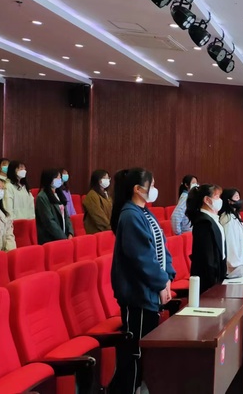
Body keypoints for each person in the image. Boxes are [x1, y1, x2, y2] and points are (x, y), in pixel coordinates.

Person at [109, 168, 175, 394]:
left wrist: (168, 277)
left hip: (150, 292)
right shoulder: (130, 215)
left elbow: (162, 247)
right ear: (138, 189)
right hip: (138, 295)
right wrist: (161, 282)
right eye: (151, 185)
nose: (154, 189)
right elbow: (142, 258)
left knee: (144, 352)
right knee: (134, 354)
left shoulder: (144, 212)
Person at [185, 184, 226, 292]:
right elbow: (207, 257)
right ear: (207, 200)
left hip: (217, 275)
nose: (220, 200)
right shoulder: (203, 222)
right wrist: (214, 283)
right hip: (208, 280)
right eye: (217, 197)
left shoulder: (212, 219)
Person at [35, 169, 74, 244]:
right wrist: (63, 238)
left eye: (60, 177)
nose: (60, 180)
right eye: (57, 178)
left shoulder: (59, 194)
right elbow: (49, 221)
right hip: (51, 239)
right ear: (49, 179)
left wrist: (70, 233)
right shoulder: (42, 197)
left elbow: (66, 216)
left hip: (64, 237)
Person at [218, 188, 243, 273]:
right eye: (236, 197)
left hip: (239, 260)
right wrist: (234, 263)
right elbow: (230, 242)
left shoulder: (236, 216)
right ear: (229, 201)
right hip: (232, 264)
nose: (239, 200)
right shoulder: (227, 218)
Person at [83, 170, 113, 234]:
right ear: (97, 180)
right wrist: (110, 227)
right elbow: (98, 216)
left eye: (108, 178)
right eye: (104, 178)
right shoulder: (92, 195)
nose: (107, 180)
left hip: (108, 230)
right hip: (97, 232)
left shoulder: (106, 194)